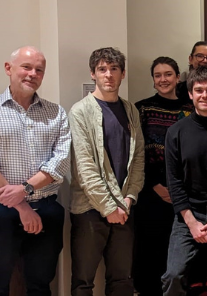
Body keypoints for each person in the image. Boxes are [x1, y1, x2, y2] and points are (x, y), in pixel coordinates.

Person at [0, 46, 71, 296]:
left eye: (39, 70)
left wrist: (26, 189)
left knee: (41, 282)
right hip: (0, 210)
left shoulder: (56, 113)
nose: (32, 74)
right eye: (26, 67)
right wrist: (22, 207)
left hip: (46, 207)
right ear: (8, 69)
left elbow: (61, 160)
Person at [69, 47, 145, 296]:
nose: (108, 75)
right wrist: (108, 207)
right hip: (90, 208)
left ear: (123, 74)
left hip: (124, 207)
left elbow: (138, 159)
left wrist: (129, 198)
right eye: (102, 69)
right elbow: (85, 167)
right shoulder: (80, 111)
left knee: (122, 280)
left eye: (114, 69)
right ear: (93, 74)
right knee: (83, 282)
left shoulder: (130, 110)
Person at [162, 67, 207, 296]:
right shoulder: (176, 132)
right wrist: (192, 223)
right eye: (199, 90)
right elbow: (174, 182)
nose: (205, 95)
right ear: (191, 94)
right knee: (173, 276)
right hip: (188, 215)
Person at [132, 57, 192, 296]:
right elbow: (136, 153)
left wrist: (181, 189)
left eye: (168, 74)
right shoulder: (142, 108)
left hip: (185, 192)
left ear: (178, 77)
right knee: (150, 249)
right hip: (151, 191)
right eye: (158, 75)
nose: (163, 79)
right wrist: (154, 185)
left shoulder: (191, 107)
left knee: (178, 252)